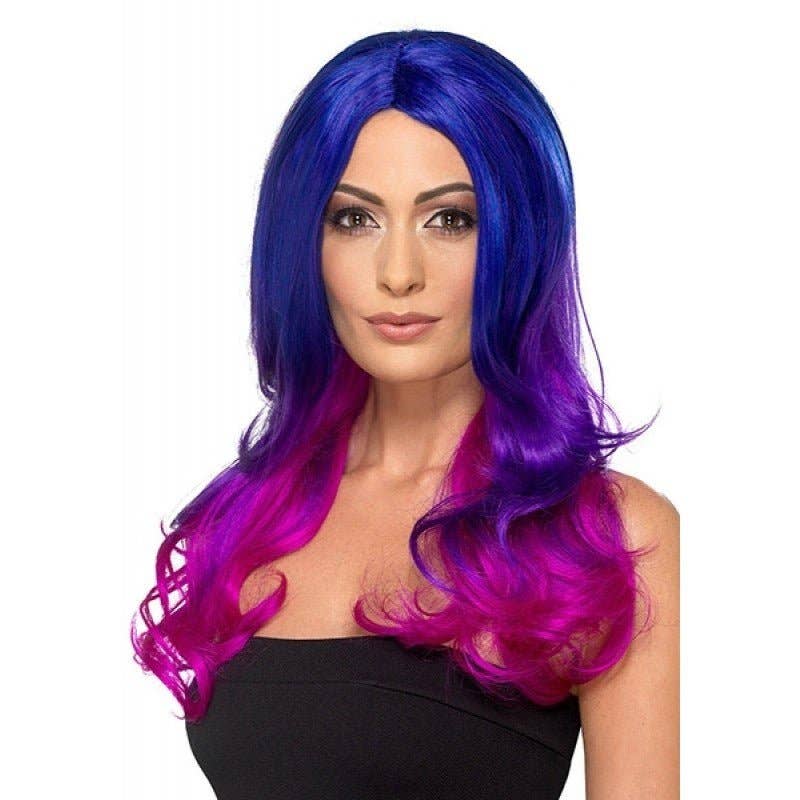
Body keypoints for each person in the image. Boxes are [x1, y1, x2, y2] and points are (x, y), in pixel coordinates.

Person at [132, 29, 679, 799]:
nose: (398, 274)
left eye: (449, 219)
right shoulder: (251, 515)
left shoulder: (606, 535)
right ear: (303, 241)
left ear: (522, 238)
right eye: (355, 219)